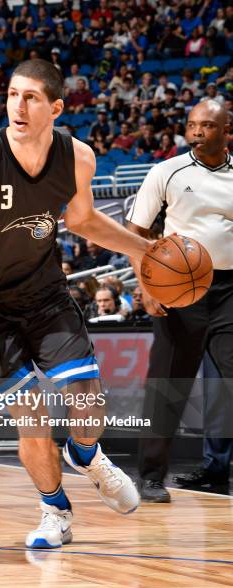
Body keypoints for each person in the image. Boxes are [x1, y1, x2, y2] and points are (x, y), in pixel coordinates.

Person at [0, 59, 151, 549]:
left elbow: (84, 221)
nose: (17, 106)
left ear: (56, 107)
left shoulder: (78, 158)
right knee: (32, 416)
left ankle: (86, 455)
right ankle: (55, 511)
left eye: (30, 98)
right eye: (11, 94)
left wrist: (146, 250)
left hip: (44, 294)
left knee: (88, 400)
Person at [127, 100, 233, 502]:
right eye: (192, 125)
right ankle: (151, 476)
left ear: (227, 131)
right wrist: (146, 286)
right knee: (168, 385)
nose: (196, 132)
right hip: (178, 290)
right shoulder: (166, 171)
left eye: (207, 125)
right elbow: (136, 231)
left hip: (229, 288)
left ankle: (218, 468)